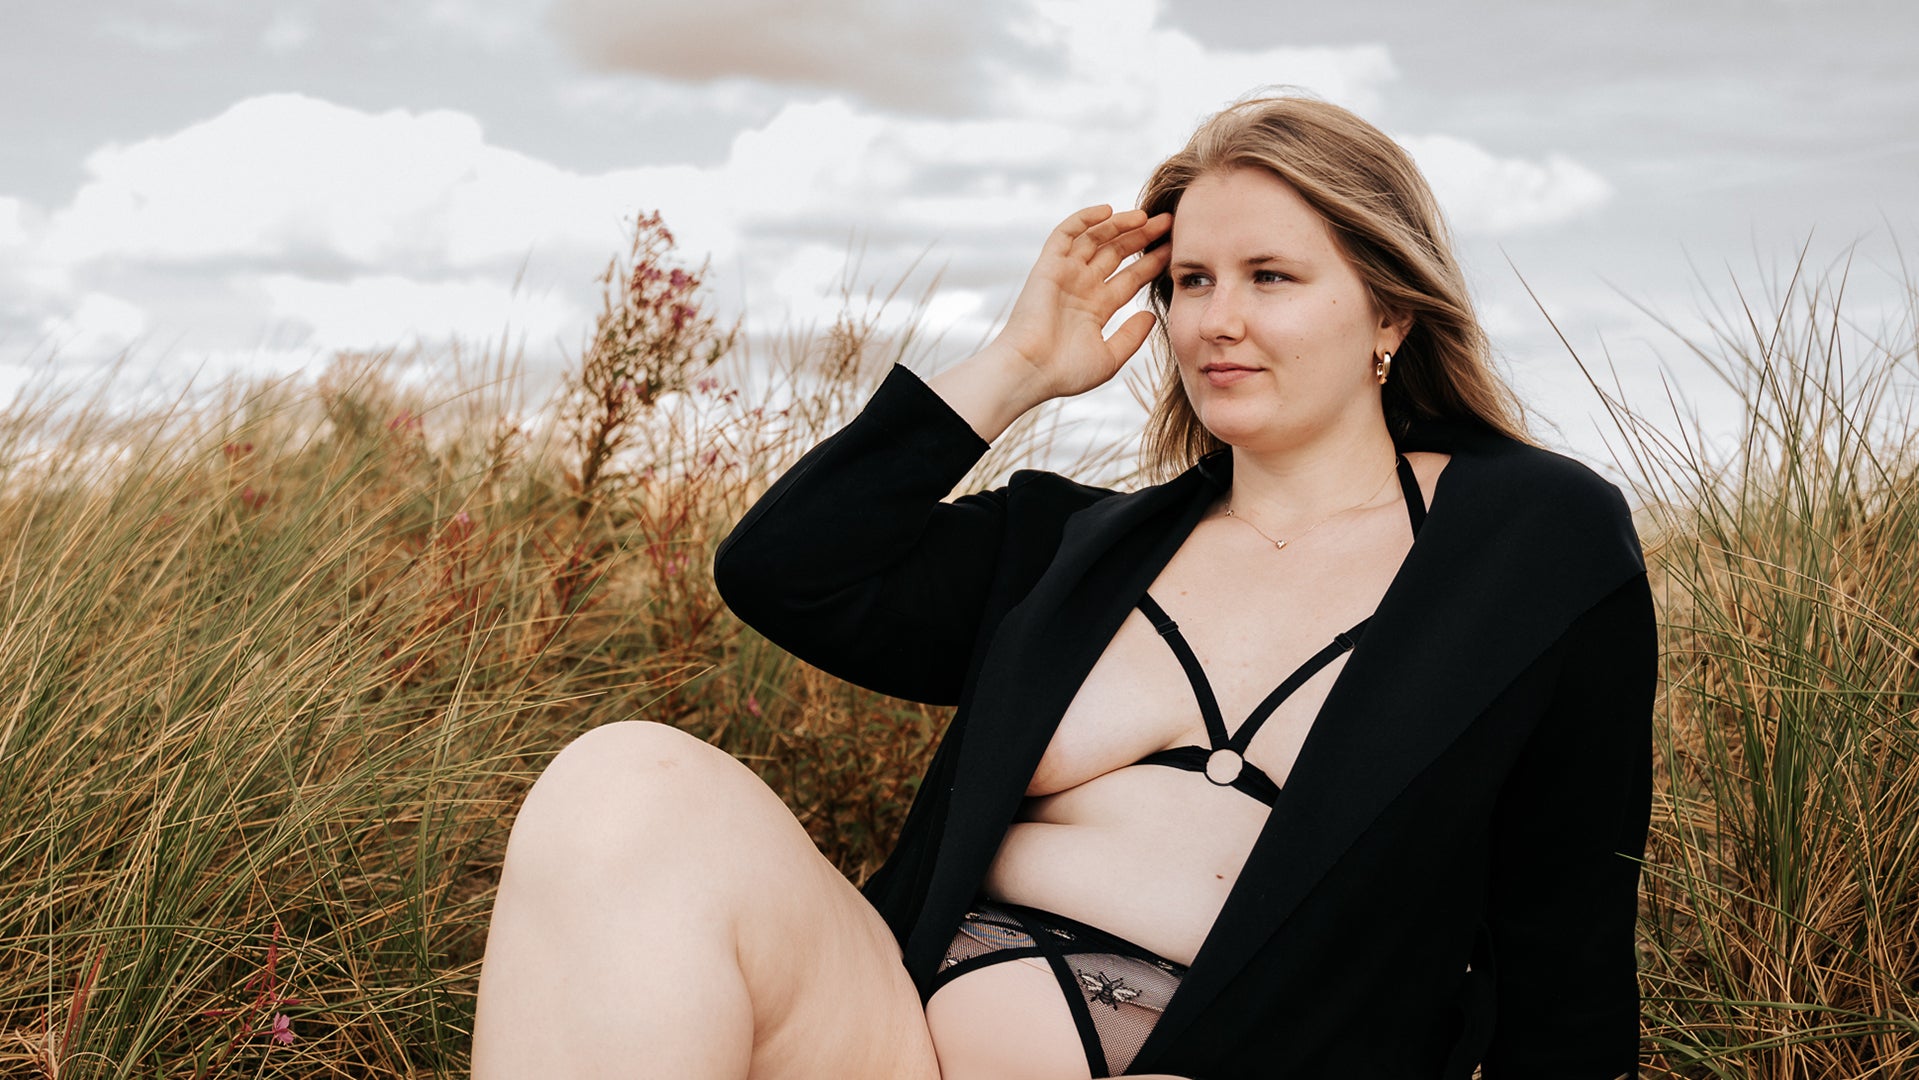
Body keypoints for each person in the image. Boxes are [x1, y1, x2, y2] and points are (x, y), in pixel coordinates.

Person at [470, 94, 1654, 1080]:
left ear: (1388, 308)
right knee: (622, 779)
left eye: (1271, 277)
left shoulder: (1525, 542)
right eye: (1187, 281)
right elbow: (783, 572)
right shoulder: (1068, 546)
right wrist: (1021, 365)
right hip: (899, 1045)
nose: (1216, 322)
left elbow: (1568, 939)